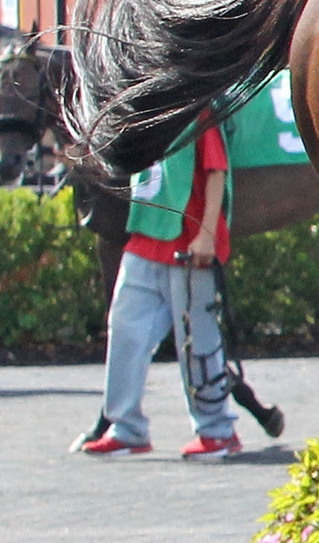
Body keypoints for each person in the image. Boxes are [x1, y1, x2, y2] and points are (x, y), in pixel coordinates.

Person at [77, 107, 242, 460]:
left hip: (188, 242)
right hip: (146, 234)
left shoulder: (198, 113)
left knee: (198, 338)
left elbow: (216, 171)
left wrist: (208, 233)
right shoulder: (143, 111)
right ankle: (126, 427)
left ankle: (218, 430)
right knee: (124, 328)